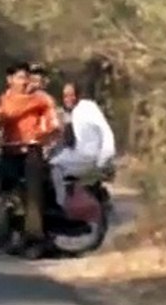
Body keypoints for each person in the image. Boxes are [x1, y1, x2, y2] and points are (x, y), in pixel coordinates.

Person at [0, 62, 62, 255]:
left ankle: (35, 240)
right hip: (9, 150)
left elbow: (54, 125)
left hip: (32, 150)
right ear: (10, 80)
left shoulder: (42, 99)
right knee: (7, 194)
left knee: (33, 197)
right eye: (21, 78)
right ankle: (11, 235)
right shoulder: (2, 100)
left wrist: (42, 138)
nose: (25, 82)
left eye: (27, 78)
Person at [49, 81, 117, 209]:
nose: (68, 99)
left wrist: (105, 156)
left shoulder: (87, 108)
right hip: (82, 155)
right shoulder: (70, 113)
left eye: (71, 95)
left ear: (78, 95)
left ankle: (62, 204)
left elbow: (105, 130)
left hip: (88, 156)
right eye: (65, 96)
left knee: (53, 165)